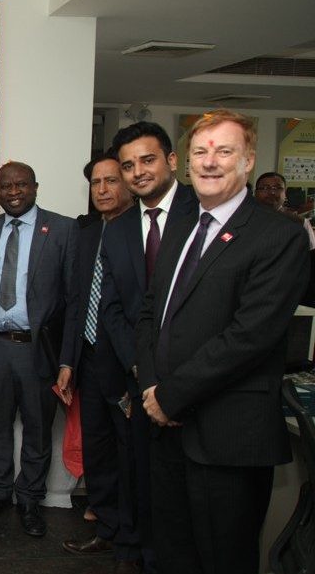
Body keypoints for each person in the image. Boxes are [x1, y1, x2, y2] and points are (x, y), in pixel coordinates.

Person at [137, 110, 308, 574]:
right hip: (165, 428)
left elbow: (250, 336)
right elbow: (152, 314)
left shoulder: (280, 236)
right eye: (201, 152)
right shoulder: (182, 225)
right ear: (186, 162)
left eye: (224, 151)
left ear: (249, 160)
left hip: (227, 436)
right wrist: (152, 388)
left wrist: (170, 395)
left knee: (222, 560)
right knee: (173, 555)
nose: (210, 162)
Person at [72, 122, 199, 573]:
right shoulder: (121, 229)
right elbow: (111, 308)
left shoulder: (202, 214)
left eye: (147, 160)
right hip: (134, 373)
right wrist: (142, 370)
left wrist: (166, 373)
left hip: (194, 378)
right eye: (129, 165)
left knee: (181, 488)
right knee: (134, 468)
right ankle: (133, 548)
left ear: (171, 160)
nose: (137, 172)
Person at [0, 161, 78, 538]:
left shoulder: (63, 229)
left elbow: (73, 300)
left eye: (20, 185)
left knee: (37, 427)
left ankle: (31, 497)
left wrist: (67, 359)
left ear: (35, 186)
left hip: (39, 350)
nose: (13, 192)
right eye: (5, 187)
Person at [61, 153, 145, 574]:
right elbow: (78, 300)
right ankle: (107, 527)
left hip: (127, 366)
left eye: (112, 181)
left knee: (131, 454)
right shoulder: (90, 232)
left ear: (129, 183)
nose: (104, 190)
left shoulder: (143, 231)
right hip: (90, 359)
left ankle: (131, 542)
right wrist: (67, 362)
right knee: (98, 451)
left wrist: (139, 366)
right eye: (96, 183)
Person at [254, 171, 315, 249]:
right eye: (265, 188)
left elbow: (311, 253)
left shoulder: (300, 222)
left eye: (277, 188)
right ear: (256, 193)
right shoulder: (245, 218)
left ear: (285, 193)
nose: (272, 192)